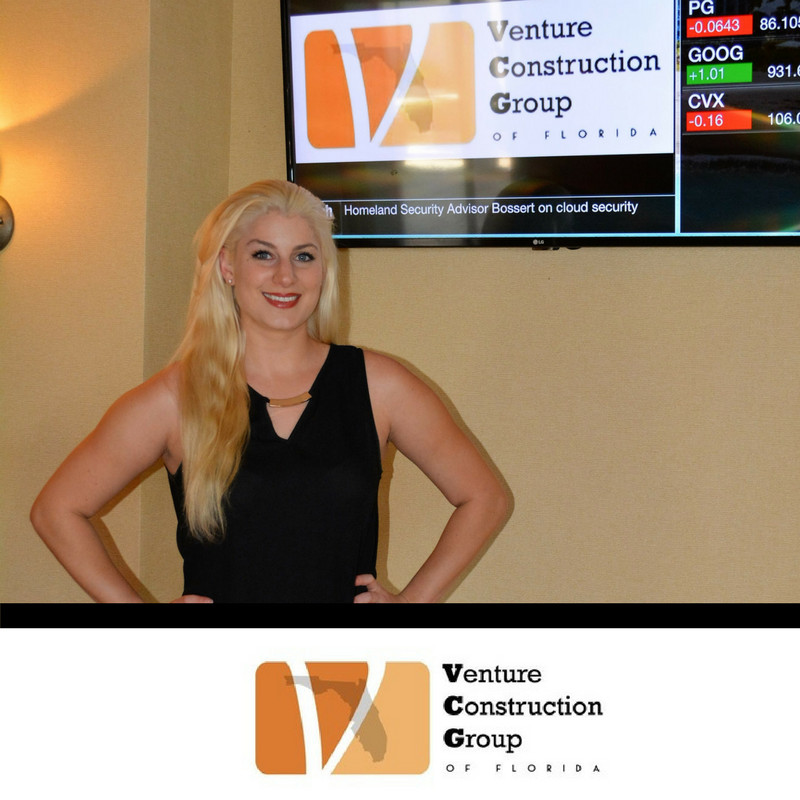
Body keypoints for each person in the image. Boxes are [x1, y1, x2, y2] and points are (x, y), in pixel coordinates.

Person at [30, 180, 508, 603]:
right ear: (227, 266)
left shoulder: (380, 385)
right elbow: (56, 511)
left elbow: (484, 497)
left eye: (304, 256)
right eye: (263, 254)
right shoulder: (175, 397)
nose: (285, 276)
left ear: (323, 270)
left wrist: (414, 602)